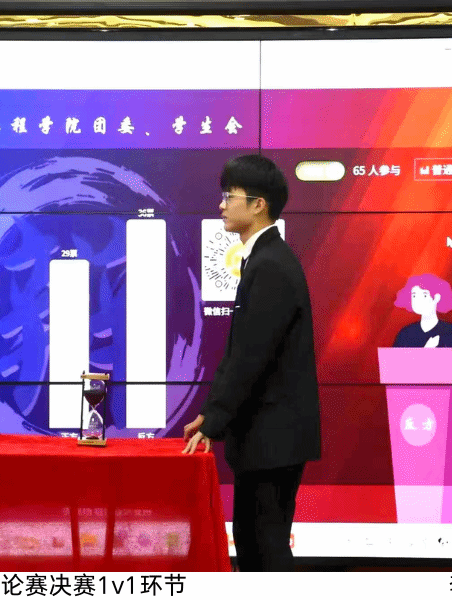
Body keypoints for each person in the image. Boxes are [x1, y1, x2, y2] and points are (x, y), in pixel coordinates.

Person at [183, 154, 321, 572]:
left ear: (259, 204)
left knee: (265, 548)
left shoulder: (271, 265)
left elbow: (250, 357)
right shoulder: (263, 258)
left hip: (273, 438)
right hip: (266, 437)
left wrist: (214, 421)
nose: (221, 205)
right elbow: (241, 351)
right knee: (253, 542)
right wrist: (211, 414)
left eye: (230, 196)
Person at [392, 274, 452, 523]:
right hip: (417, 407)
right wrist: (426, 353)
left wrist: (422, 361)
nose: (417, 300)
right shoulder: (406, 335)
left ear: (436, 298)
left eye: (422, 295)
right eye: (414, 295)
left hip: (451, 403)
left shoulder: (451, 332)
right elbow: (395, 370)